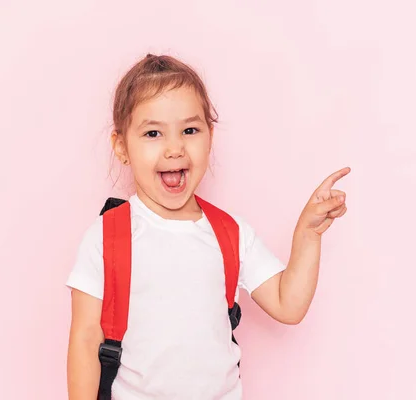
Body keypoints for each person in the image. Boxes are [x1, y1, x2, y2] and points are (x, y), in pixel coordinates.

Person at [66, 53, 350, 400]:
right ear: (122, 147)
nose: (174, 148)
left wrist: (308, 234)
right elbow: (85, 338)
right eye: (153, 133)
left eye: (189, 130)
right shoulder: (106, 236)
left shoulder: (230, 233)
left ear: (210, 136)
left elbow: (287, 304)